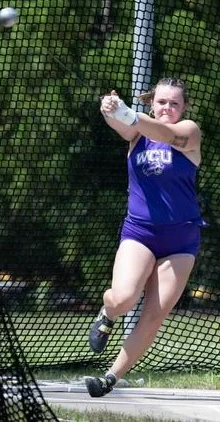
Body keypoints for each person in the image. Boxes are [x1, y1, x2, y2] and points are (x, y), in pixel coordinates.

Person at [85, 77, 204, 397]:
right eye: (161, 102)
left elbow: (165, 134)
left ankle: (110, 377)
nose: (167, 108)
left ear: (184, 107)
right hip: (140, 233)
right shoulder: (136, 134)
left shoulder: (189, 131)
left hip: (180, 240)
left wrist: (128, 114)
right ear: (152, 103)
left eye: (174, 103)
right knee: (123, 298)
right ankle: (108, 312)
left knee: (155, 313)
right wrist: (110, 108)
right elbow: (120, 123)